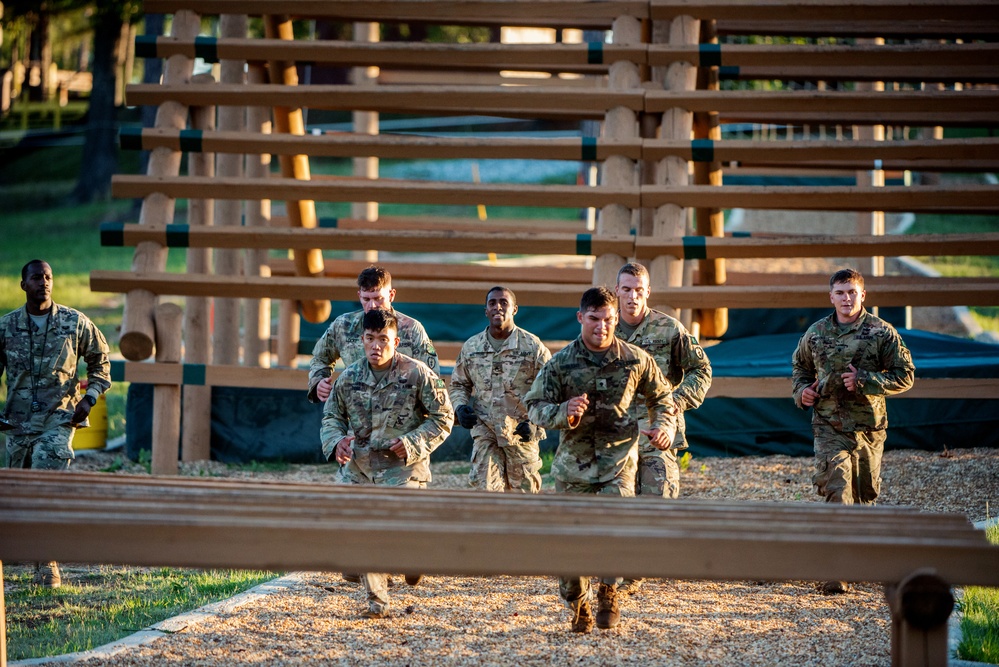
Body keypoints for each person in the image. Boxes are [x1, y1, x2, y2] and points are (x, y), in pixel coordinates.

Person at [524, 287, 677, 633]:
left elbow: (663, 397)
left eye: (609, 319)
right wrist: (564, 411)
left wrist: (663, 426)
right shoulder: (561, 363)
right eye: (594, 319)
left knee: (616, 532)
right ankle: (578, 603)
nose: (602, 326)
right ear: (580, 318)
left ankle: (609, 591)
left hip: (618, 466)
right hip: (572, 469)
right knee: (569, 547)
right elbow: (534, 406)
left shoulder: (635, 359)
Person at [320, 308, 454, 618]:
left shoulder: (418, 373)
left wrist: (411, 443)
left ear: (395, 341)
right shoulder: (349, 377)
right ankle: (376, 603)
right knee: (359, 530)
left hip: (403, 468)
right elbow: (332, 416)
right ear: (362, 339)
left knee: (399, 532)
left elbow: (444, 417)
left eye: (383, 339)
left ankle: (411, 557)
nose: (376, 346)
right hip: (361, 467)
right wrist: (336, 441)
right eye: (370, 339)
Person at [791, 268, 915, 594]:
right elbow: (800, 369)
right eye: (840, 293)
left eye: (852, 292)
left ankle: (862, 560)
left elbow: (906, 375)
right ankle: (836, 570)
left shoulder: (881, 333)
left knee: (865, 497)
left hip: (868, 428)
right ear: (830, 296)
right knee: (838, 490)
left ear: (863, 295)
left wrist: (865, 380)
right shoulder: (815, 333)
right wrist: (801, 392)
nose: (846, 299)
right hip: (829, 426)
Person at [0, 259, 112, 588]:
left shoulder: (74, 322)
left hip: (59, 418)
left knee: (45, 475)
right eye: (36, 278)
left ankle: (46, 563)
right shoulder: (6, 328)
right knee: (19, 495)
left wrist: (89, 398)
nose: (43, 283)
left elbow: (100, 360)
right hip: (17, 423)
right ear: (23, 285)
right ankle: (22, 549)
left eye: (48, 277)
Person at [614, 262, 712, 594]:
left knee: (656, 499)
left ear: (648, 292)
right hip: (618, 432)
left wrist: (677, 400)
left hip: (659, 428)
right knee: (619, 501)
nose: (632, 297)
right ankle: (624, 570)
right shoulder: (603, 329)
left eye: (639, 290)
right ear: (616, 291)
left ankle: (639, 567)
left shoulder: (669, 329)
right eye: (626, 289)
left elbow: (701, 369)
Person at [449, 287, 551, 493]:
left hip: (521, 432)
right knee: (485, 493)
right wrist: (459, 407)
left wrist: (536, 422)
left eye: (504, 302)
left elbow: (550, 388)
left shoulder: (532, 347)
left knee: (524, 495)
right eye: (492, 303)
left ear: (515, 309)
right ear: (486, 310)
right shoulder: (472, 347)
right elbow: (459, 384)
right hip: (485, 429)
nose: (498, 307)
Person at [308, 265, 439, 404]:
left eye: (378, 298)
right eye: (366, 299)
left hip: (401, 414)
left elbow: (432, 374)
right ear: (359, 296)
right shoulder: (343, 326)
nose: (372, 305)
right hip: (357, 412)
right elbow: (320, 357)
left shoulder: (412, 329)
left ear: (391, 295)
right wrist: (319, 382)